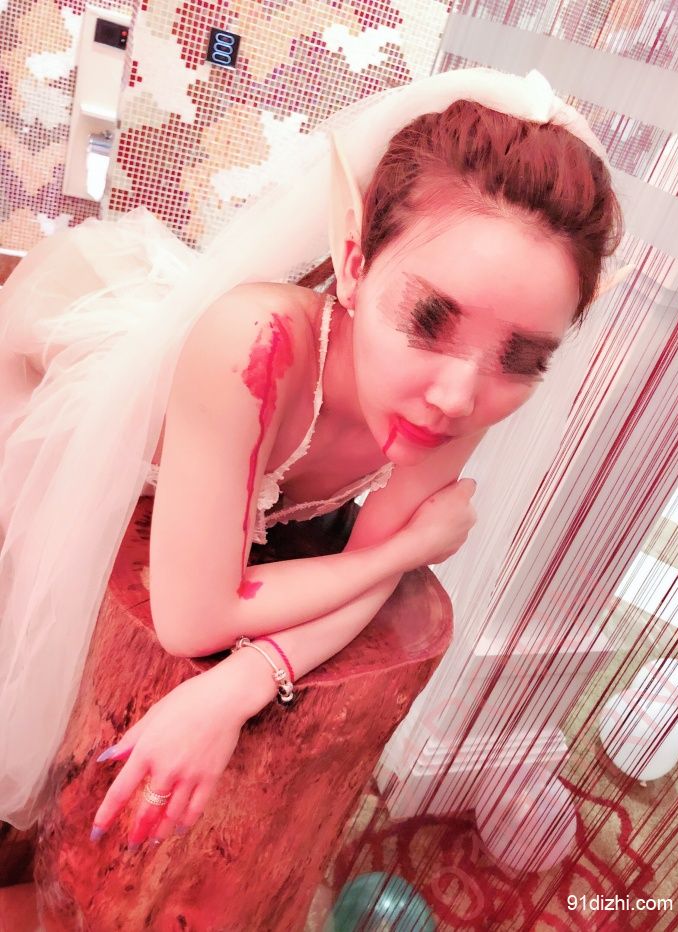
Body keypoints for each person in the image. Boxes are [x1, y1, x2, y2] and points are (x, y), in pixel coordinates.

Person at [0, 67, 625, 841]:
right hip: (57, 371)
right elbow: (194, 618)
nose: (460, 396)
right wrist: (409, 549)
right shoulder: (253, 345)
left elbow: (363, 575)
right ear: (355, 263)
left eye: (523, 358)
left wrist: (242, 684)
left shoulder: (462, 390)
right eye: (429, 321)